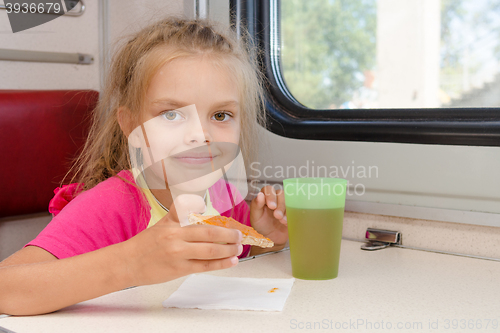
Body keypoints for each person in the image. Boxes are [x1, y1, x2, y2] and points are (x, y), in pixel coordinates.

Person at [0, 17, 288, 316]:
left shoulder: (225, 202)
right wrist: (130, 263)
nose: (200, 135)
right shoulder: (110, 206)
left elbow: (232, 265)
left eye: (220, 116)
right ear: (130, 125)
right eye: (172, 114)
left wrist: (267, 241)